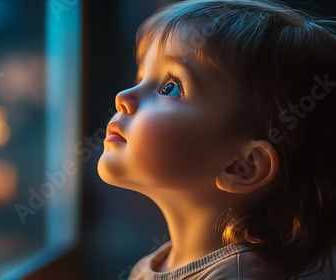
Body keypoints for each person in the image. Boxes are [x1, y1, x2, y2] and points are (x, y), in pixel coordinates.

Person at [96, 0, 336, 279]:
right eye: (140, 78)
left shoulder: (239, 276)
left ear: (242, 166)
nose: (123, 98)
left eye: (170, 87)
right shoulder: (155, 266)